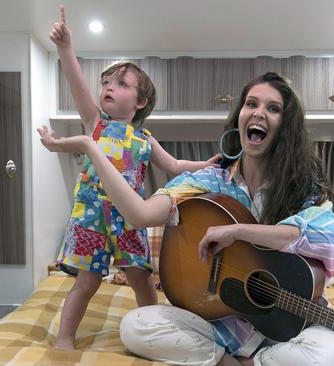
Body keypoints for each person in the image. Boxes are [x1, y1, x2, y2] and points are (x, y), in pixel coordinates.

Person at [38, 72, 334, 365]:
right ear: (240, 118)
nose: (259, 112)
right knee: (136, 325)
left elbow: (316, 256)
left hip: (287, 323)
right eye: (251, 103)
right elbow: (138, 215)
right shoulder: (209, 180)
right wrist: (91, 148)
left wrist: (239, 231)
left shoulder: (304, 190)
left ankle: (252, 362)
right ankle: (227, 361)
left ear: (286, 126)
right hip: (219, 323)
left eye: (273, 108)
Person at [47, 5, 220, 350]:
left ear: (140, 102)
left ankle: (155, 335)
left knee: (143, 280)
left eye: (120, 84)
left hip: (129, 219)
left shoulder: (143, 138)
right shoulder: (95, 124)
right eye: (107, 82)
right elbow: (77, 84)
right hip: (92, 217)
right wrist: (66, 49)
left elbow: (173, 166)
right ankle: (65, 339)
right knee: (87, 282)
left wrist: (206, 165)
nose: (109, 87)